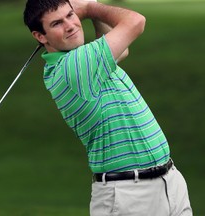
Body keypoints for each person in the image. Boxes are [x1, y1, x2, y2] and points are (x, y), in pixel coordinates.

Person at [23, 0, 192, 215]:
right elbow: (136, 22)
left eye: (70, 15)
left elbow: (122, 51)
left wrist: (91, 14)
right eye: (57, 23)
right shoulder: (72, 67)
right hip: (128, 196)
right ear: (40, 36)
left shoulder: (87, 62)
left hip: (169, 183)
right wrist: (91, 8)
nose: (71, 25)